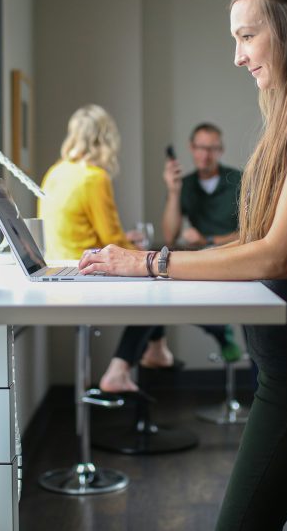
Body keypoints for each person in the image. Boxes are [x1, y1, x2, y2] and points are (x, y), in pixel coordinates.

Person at [79, 0, 287, 529]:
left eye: (248, 36)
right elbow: (256, 241)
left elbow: (277, 256)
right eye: (236, 38)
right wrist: (144, 265)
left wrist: (146, 263)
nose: (239, 56)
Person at [99, 122, 244, 394]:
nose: (205, 155)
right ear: (191, 149)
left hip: (234, 262)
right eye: (201, 148)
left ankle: (149, 353)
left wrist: (209, 241)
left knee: (159, 296)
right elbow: (170, 234)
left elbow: (251, 232)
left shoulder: (239, 180)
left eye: (212, 148)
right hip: (198, 265)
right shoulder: (185, 184)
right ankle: (146, 355)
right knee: (153, 297)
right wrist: (174, 191)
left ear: (221, 150)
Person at [37, 104, 144, 261]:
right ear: (106, 139)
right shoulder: (94, 178)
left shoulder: (54, 171)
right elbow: (112, 240)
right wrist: (145, 255)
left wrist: (125, 239)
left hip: (54, 264)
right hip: (84, 268)